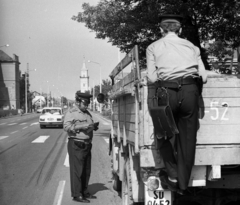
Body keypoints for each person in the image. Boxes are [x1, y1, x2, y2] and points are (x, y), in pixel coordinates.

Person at [146, 14, 207, 193]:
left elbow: (152, 77)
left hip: (166, 93)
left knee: (163, 134)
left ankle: (172, 174)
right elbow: (203, 77)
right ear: (180, 30)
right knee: (188, 140)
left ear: (161, 29)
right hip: (190, 92)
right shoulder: (192, 47)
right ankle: (182, 184)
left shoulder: (153, 47)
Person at [63, 91, 99, 203]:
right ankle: (77, 195)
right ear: (78, 102)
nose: (87, 105)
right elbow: (66, 126)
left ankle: (84, 191)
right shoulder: (72, 112)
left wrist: (93, 127)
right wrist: (83, 126)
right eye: (85, 103)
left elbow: (89, 124)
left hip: (87, 144)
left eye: (88, 103)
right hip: (76, 144)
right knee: (77, 171)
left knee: (86, 170)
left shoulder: (87, 113)